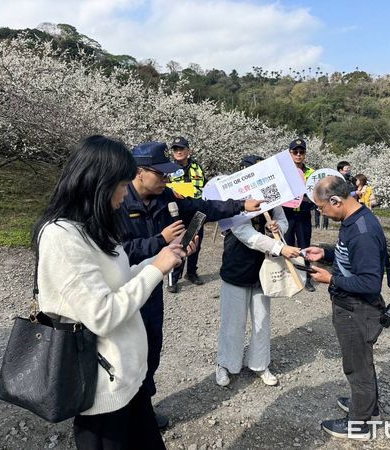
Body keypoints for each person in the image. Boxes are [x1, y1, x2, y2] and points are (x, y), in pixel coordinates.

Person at [32, 135, 193, 449]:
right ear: (98, 183)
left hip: (127, 380)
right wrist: (156, 269)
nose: (125, 192)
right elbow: (102, 315)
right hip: (101, 390)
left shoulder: (95, 226)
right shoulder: (62, 236)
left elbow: (122, 281)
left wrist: (161, 258)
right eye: (121, 184)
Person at [120, 141, 265, 428]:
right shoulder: (116, 202)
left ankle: (143, 408)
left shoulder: (165, 199)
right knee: (125, 351)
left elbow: (201, 207)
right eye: (160, 174)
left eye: (168, 174)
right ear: (139, 172)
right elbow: (116, 252)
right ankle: (120, 413)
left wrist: (240, 205)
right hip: (123, 290)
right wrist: (160, 241)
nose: (167, 179)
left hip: (151, 289)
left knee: (151, 346)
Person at [304, 175, 387, 441]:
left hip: (357, 309)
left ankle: (359, 423)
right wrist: (325, 253)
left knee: (357, 366)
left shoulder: (363, 231)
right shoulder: (353, 220)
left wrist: (330, 278)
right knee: (361, 360)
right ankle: (367, 408)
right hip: (350, 306)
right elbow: (349, 256)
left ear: (336, 200)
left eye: (322, 207)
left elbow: (370, 283)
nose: (321, 212)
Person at [216, 155, 301, 388]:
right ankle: (226, 364)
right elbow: (245, 235)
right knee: (233, 321)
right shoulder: (232, 200)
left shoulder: (273, 198)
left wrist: (274, 226)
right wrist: (280, 247)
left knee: (262, 319)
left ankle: (260, 363)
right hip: (237, 265)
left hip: (264, 267)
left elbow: (283, 222)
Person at [168, 136, 206, 288]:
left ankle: (191, 272)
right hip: (177, 212)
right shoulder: (168, 168)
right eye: (175, 149)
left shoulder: (197, 167)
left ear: (188, 151)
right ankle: (174, 278)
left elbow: (203, 186)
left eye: (181, 148)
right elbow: (163, 187)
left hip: (196, 210)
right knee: (178, 244)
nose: (178, 151)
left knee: (196, 242)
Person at [282, 138, 316, 292]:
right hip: (286, 214)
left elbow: (317, 192)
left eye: (301, 152)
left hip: (303, 215)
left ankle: (306, 277)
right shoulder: (283, 172)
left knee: (305, 246)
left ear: (305, 154)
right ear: (290, 153)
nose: (298, 154)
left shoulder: (311, 173)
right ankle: (288, 276)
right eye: (295, 151)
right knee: (286, 245)